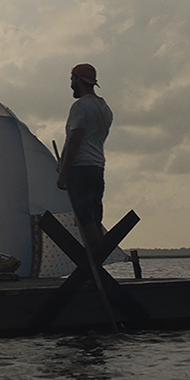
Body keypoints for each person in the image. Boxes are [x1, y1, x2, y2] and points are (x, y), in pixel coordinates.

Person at [56, 63, 113, 250]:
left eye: (72, 79)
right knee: (96, 218)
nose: (71, 83)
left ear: (79, 79)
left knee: (85, 217)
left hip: (80, 168)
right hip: (98, 167)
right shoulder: (104, 108)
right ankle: (97, 269)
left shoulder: (80, 106)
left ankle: (94, 267)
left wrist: (63, 172)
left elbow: (75, 139)